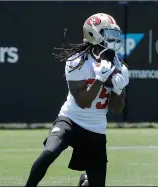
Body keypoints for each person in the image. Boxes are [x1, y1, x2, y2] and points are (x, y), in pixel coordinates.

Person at [25, 13, 129, 187]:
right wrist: (99, 79)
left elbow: (117, 109)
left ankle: (85, 181)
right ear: (94, 34)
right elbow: (82, 101)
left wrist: (118, 91)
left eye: (114, 34)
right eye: (108, 34)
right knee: (49, 152)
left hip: (96, 128)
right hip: (71, 120)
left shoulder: (119, 66)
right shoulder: (77, 61)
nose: (113, 39)